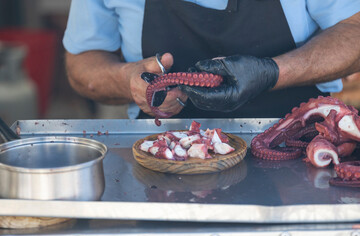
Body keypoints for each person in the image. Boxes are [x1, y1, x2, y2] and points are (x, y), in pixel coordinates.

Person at [63, 0, 360, 120]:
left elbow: (354, 29)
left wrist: (273, 72)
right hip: (162, 166)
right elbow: (82, 64)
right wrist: (129, 80)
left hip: (297, 153)